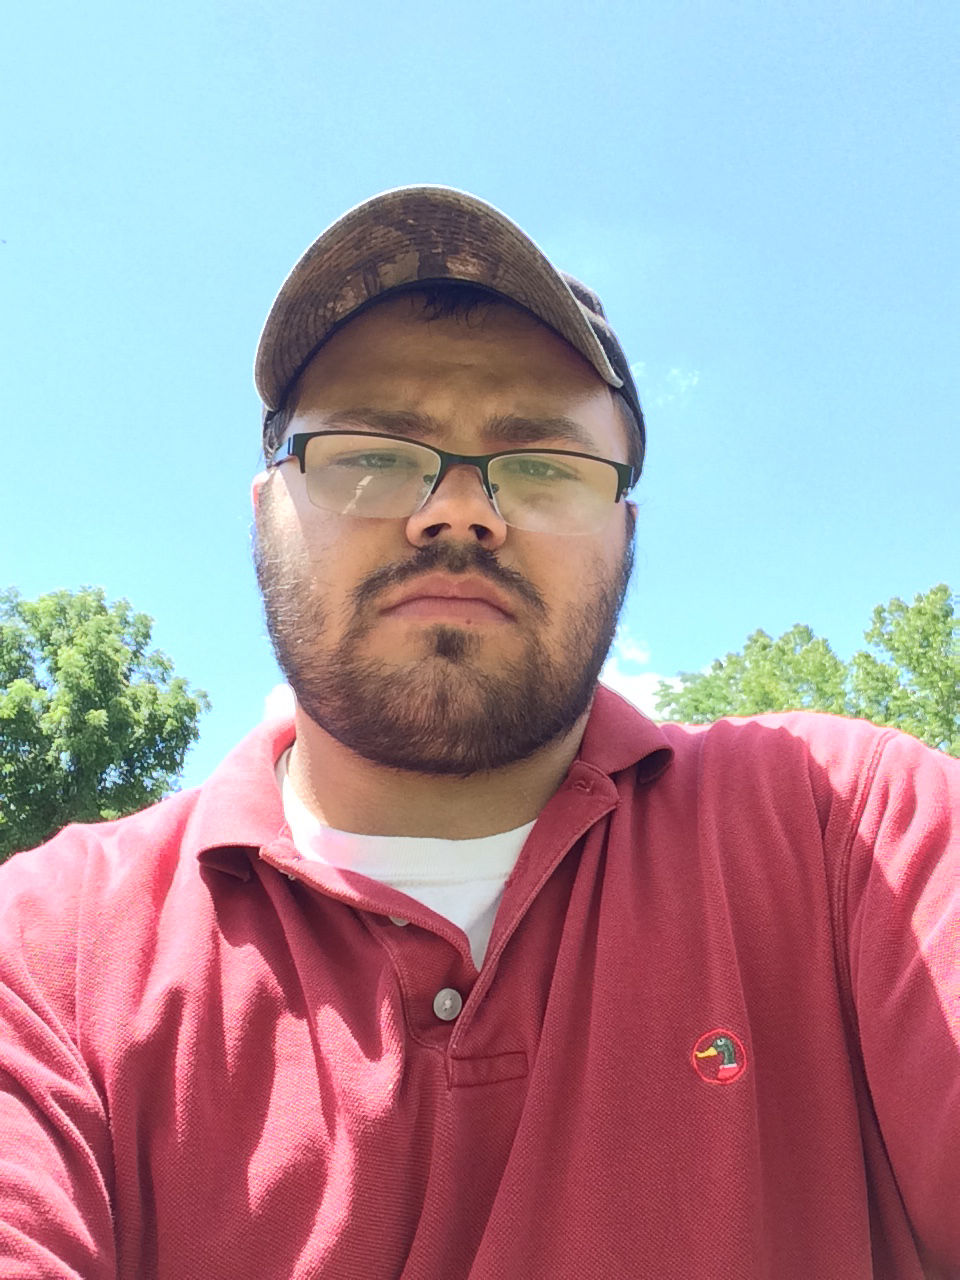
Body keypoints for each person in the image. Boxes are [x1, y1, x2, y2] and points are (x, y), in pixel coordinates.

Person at [1, 186, 957, 1280]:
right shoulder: (48, 952)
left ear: (625, 532)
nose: (457, 510)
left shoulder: (855, 830)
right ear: (266, 508)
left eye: (542, 463)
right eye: (370, 451)